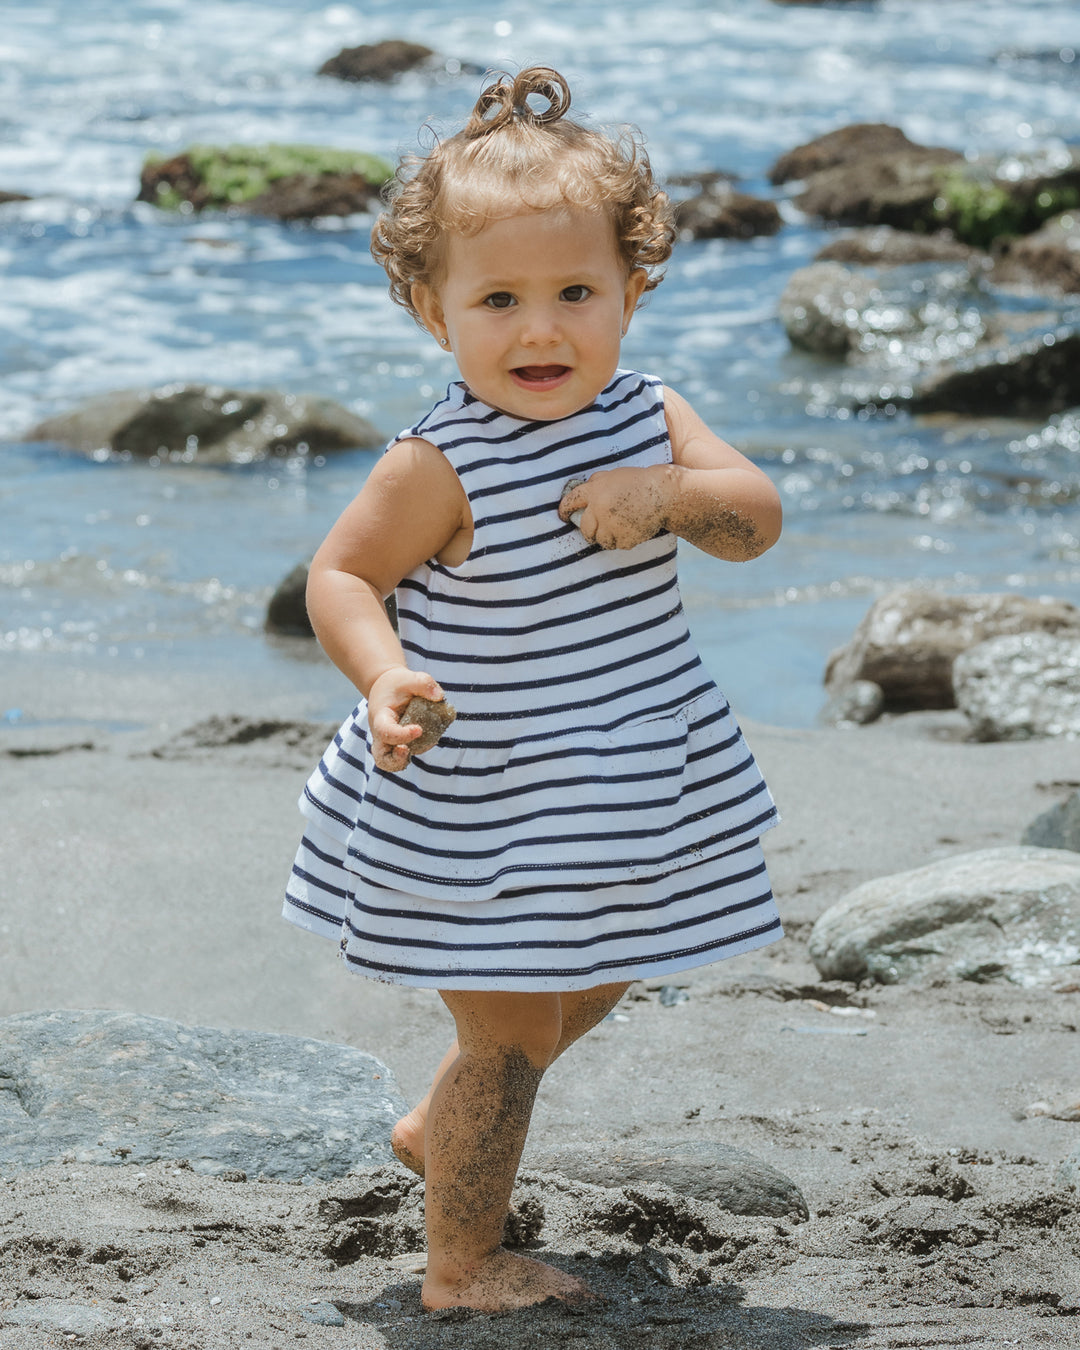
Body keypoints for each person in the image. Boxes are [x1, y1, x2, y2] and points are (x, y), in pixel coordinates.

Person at [283, 65, 783, 1314]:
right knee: (508, 1035)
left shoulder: (648, 413)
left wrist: (667, 496)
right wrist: (387, 670)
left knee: (597, 976)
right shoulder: (438, 461)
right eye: (497, 299)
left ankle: (440, 1125)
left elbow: (758, 517)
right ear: (428, 307)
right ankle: (459, 1265)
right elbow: (341, 575)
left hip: (630, 777)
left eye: (577, 293)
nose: (542, 330)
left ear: (634, 289)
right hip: (491, 793)